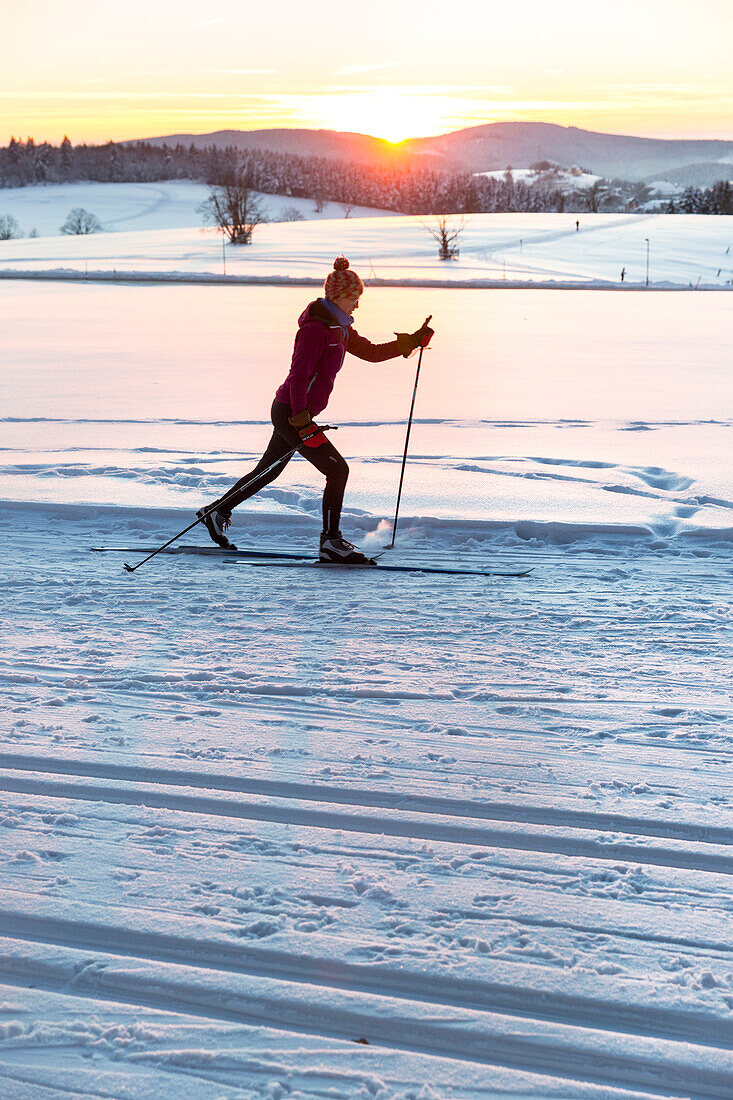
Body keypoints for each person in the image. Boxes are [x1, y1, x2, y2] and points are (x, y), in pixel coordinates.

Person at [197, 257, 433, 564]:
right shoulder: (315, 330)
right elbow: (298, 376)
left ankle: (217, 511)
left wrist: (411, 342)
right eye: (354, 298)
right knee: (337, 470)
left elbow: (372, 353)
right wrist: (302, 420)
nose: (357, 305)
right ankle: (331, 543)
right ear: (338, 297)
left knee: (268, 470)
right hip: (292, 413)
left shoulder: (340, 328)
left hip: (296, 413)